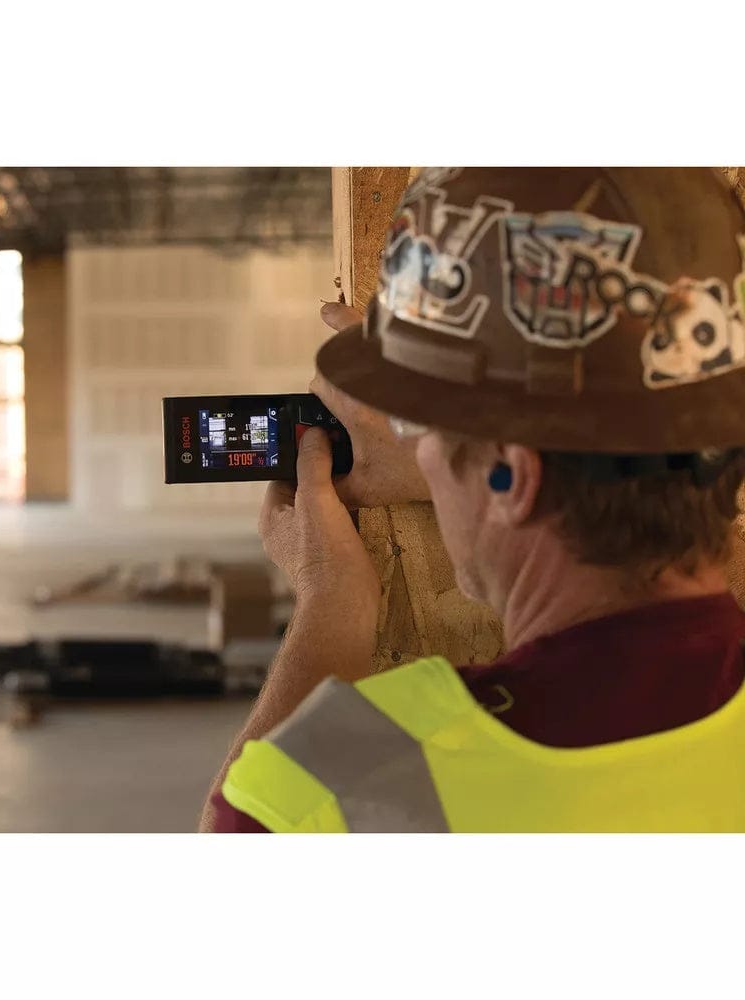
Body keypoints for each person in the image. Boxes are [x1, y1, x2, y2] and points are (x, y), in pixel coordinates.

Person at [199, 167, 745, 833]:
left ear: (516, 478)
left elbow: (247, 825)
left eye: (421, 434)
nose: (418, 453)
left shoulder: (348, 780)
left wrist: (331, 600)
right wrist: (468, 453)